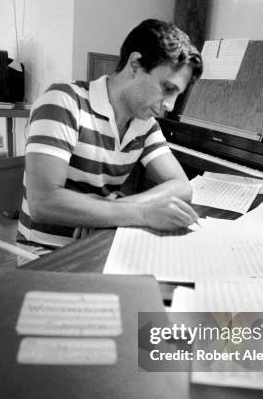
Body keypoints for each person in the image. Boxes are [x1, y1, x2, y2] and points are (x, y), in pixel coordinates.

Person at [17, 18, 202, 252]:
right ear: (135, 64)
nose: (170, 105)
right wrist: (141, 212)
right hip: (45, 254)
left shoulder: (145, 124)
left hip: (101, 244)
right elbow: (43, 202)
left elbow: (181, 186)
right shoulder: (63, 101)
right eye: (167, 88)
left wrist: (110, 211)